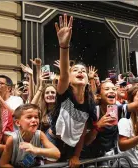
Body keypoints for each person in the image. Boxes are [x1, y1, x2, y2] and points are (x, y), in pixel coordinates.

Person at [82, 73, 138, 167]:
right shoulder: (94, 111)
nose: (112, 91)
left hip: (113, 161)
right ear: (98, 96)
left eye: (114, 89)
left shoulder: (118, 109)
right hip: (94, 161)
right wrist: (98, 126)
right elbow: (85, 141)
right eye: (107, 89)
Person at [47, 14, 97, 168]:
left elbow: (82, 131)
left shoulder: (89, 102)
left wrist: (76, 155)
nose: (80, 71)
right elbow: (63, 75)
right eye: (75, 70)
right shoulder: (64, 92)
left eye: (83, 70)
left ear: (88, 80)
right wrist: (64, 46)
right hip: (53, 141)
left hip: (72, 143)